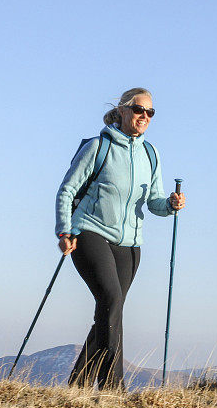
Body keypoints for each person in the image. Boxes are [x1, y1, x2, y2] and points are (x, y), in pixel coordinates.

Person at [55, 87, 185, 389]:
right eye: (139, 110)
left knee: (110, 309)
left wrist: (170, 205)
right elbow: (67, 190)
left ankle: (78, 384)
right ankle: (113, 387)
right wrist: (64, 230)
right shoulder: (99, 147)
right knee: (111, 299)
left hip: (129, 246)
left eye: (150, 112)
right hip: (89, 233)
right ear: (123, 111)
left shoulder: (150, 154)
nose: (144, 116)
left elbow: (154, 201)